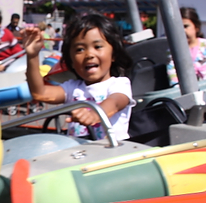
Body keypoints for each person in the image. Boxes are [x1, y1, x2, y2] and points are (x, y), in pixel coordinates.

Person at [24, 13, 135, 141]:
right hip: (79, 151)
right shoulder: (72, 88)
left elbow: (115, 103)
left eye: (97, 47)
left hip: (112, 151)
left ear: (113, 54)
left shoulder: (119, 84)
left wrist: (94, 114)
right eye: (80, 49)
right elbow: (40, 93)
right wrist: (32, 56)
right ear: (71, 61)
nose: (89, 54)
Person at [167, 7, 206, 86]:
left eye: (185, 26)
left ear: (196, 27)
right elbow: (172, 74)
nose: (182, 31)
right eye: (178, 27)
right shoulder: (173, 50)